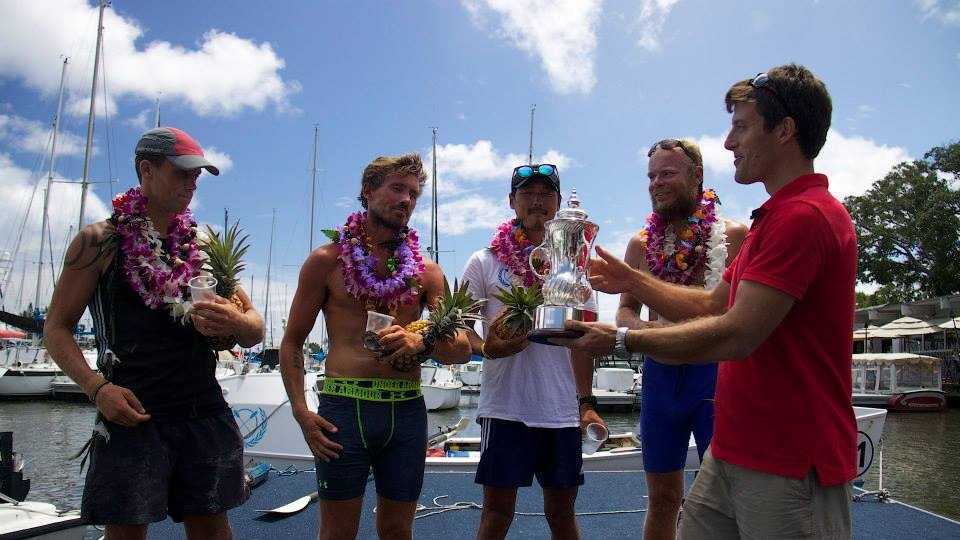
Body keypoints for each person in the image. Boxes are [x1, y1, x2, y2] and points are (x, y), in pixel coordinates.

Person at [555, 64, 857, 539]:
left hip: (788, 457)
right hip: (735, 448)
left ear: (784, 130)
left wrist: (619, 338)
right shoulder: (771, 220)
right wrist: (630, 279)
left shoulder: (804, 217)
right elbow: (711, 306)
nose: (728, 142)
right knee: (667, 508)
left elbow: (737, 333)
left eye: (741, 126)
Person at [44, 127, 264, 539]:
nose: (192, 183)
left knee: (213, 529)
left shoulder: (204, 245)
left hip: (203, 409)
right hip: (132, 411)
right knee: (126, 533)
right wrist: (97, 389)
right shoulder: (98, 242)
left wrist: (233, 323)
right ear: (146, 170)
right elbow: (55, 329)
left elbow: (255, 329)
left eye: (197, 176)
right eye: (183, 173)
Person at [279, 153, 471, 540]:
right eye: (397, 188)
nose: (406, 201)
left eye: (414, 194)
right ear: (367, 191)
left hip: (406, 411)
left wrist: (423, 339)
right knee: (337, 533)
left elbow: (462, 348)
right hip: (343, 411)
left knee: (398, 530)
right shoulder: (326, 262)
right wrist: (301, 412)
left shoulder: (427, 272)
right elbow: (292, 343)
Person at [460, 163, 604, 540]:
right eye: (527, 193)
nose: (537, 202)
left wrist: (585, 402)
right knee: (496, 513)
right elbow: (462, 328)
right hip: (506, 408)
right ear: (512, 201)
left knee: (561, 513)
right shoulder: (484, 261)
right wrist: (487, 348)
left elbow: (586, 341)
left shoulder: (578, 267)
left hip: (561, 411)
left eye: (546, 194)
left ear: (559, 205)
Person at [616, 138, 745, 540]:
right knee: (663, 499)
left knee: (728, 499)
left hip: (716, 379)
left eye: (667, 173)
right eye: (651, 176)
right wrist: (647, 332)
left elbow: (744, 315)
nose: (657, 182)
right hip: (661, 381)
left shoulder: (735, 236)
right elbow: (625, 312)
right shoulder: (640, 244)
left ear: (697, 177)